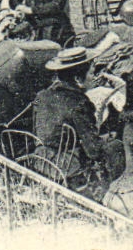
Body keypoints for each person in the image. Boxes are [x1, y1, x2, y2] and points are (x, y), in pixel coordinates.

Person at [32, 47, 119, 192]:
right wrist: (107, 139)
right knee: (115, 147)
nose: (94, 77)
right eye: (92, 72)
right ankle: (106, 194)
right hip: (64, 165)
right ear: (78, 79)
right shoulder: (79, 103)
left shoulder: (42, 95)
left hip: (40, 158)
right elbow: (94, 151)